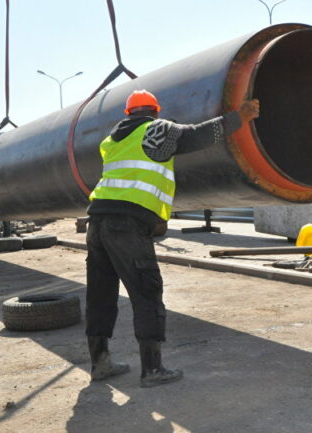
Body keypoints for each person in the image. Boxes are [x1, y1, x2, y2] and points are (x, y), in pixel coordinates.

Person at [85, 89, 260, 387]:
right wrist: (239, 118)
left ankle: (100, 363)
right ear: (154, 111)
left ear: (128, 113)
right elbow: (196, 136)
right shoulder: (156, 129)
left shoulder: (112, 140)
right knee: (146, 290)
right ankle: (152, 370)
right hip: (127, 224)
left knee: (100, 293)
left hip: (97, 223)